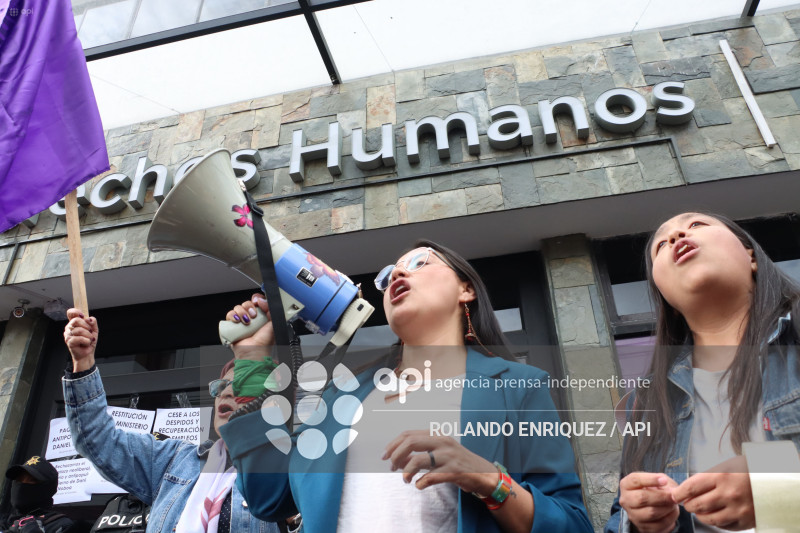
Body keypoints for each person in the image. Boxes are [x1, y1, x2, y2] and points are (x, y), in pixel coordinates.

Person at [218, 240, 593, 533]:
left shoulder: (517, 388)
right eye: (387, 276)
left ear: (466, 289)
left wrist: (488, 479)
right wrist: (252, 359)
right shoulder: (342, 396)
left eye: (419, 263)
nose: (397, 276)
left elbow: (571, 523)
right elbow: (269, 498)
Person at [606, 212, 800, 533]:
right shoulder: (646, 402)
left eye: (696, 225)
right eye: (660, 246)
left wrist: (777, 487)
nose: (676, 237)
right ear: (663, 293)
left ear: (750, 255)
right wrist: (641, 521)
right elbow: (618, 519)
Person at [61, 310, 281, 533]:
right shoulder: (174, 460)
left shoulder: (288, 470)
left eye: (242, 386)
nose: (226, 393)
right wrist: (83, 362)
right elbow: (98, 441)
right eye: (221, 386)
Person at [2, 456, 76, 533]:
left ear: (46, 488)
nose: (22, 484)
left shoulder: (62, 525)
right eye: (19, 480)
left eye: (31, 480)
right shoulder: (4, 521)